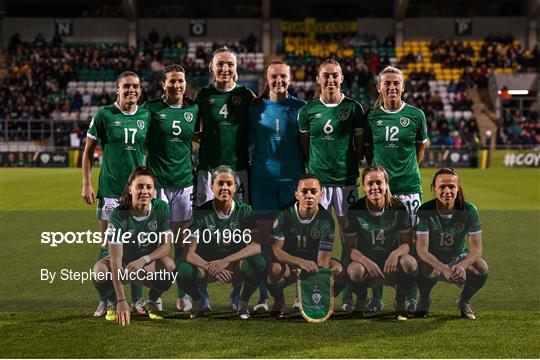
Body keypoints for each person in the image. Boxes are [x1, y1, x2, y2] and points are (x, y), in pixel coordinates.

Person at [82, 71, 151, 317]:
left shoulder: (146, 115)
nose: (131, 90)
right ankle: (107, 299)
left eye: (135, 86)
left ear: (140, 90)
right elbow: (88, 150)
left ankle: (138, 301)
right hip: (110, 192)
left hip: (137, 195)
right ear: (117, 90)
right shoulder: (103, 115)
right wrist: (86, 183)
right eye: (126, 87)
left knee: (137, 248)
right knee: (107, 249)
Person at [297, 58, 364, 312]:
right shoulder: (308, 110)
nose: (330, 80)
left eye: (334, 75)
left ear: (342, 77)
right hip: (318, 185)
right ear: (318, 79)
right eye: (326, 76)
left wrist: (347, 166)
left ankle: (347, 291)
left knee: (350, 238)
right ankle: (311, 290)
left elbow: (358, 150)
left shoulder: (354, 108)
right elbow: (305, 146)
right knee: (313, 238)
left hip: (346, 182)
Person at [362, 65, 429, 313]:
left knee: (410, 242)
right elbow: (368, 152)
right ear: (379, 87)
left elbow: (420, 148)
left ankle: (409, 295)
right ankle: (377, 296)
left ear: (403, 87)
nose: (392, 87)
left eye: (396, 83)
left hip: (409, 188)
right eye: (387, 83)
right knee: (375, 242)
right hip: (380, 191)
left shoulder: (416, 115)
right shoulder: (371, 116)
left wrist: (406, 170)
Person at [248, 61, 306, 313]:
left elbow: (306, 147)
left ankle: (298, 295)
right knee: (264, 240)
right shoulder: (255, 108)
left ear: (290, 79)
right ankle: (265, 297)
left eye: (283, 76)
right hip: (262, 182)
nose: (279, 80)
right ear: (267, 79)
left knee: (295, 241)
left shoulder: (301, 108)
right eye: (274, 76)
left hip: (293, 183)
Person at [176, 165, 266, 320]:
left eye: (229, 184)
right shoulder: (201, 213)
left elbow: (256, 247)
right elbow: (189, 253)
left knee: (259, 263)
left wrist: (226, 261)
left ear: (235, 187)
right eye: (220, 184)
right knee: (181, 270)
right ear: (212, 187)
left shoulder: (245, 211)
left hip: (234, 265)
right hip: (206, 266)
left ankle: (242, 302)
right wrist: (211, 267)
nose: (224, 188)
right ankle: (198, 300)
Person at [143, 64, 198, 313]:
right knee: (156, 244)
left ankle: (183, 294)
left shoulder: (193, 109)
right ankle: (153, 296)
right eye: (172, 81)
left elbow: (197, 137)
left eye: (181, 81)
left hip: (185, 183)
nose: (177, 85)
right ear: (163, 84)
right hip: (158, 185)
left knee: (182, 244)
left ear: (186, 84)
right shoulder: (151, 109)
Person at [91, 167, 176, 326]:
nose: (145, 191)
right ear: (130, 189)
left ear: (154, 190)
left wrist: (144, 260)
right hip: (123, 264)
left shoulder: (162, 208)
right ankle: (111, 301)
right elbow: (116, 262)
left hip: (146, 265)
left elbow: (166, 247)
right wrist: (121, 300)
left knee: (170, 267)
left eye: (148, 187)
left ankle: (151, 301)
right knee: (99, 272)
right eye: (140, 187)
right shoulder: (118, 215)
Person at [344, 166, 418, 318]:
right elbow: (349, 248)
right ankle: (363, 298)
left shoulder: (397, 207)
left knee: (410, 263)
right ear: (364, 187)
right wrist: (365, 261)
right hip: (367, 265)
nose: (375, 187)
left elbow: (407, 244)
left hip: (391, 265)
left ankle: (400, 300)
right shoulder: (355, 209)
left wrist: (395, 254)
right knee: (354, 270)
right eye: (370, 184)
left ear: (386, 184)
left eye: (379, 183)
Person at [415, 168, 488, 320]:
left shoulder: (469, 210)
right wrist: (443, 268)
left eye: (451, 187)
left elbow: (477, 249)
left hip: (458, 259)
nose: (447, 191)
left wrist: (462, 266)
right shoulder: (425, 210)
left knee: (481, 268)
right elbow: (422, 249)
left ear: (458, 188)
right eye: (442, 187)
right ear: (434, 188)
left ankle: (464, 302)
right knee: (422, 263)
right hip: (433, 260)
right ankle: (424, 300)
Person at [266, 174, 344, 317]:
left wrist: (313, 272)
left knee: (339, 271)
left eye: (313, 192)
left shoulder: (326, 220)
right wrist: (299, 262)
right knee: (274, 269)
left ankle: (321, 302)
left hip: (314, 262)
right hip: (289, 264)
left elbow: (323, 262)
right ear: (296, 194)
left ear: (321, 194)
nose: (309, 196)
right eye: (304, 191)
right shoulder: (284, 215)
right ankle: (279, 300)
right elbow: (275, 250)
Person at [194, 47, 256, 207]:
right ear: (211, 67)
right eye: (220, 64)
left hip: (239, 167)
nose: (225, 69)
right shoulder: (202, 95)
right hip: (208, 167)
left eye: (230, 64)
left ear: (236, 67)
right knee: (205, 220)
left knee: (239, 222)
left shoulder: (246, 95)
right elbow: (193, 130)